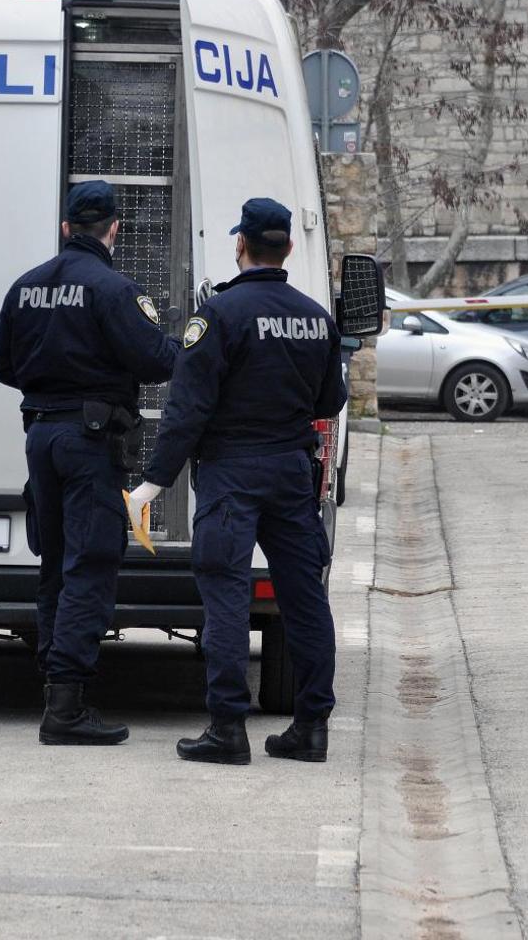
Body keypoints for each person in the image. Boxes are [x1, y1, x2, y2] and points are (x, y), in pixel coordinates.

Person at [128, 197, 346, 765]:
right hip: (292, 473)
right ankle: (312, 727)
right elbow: (331, 400)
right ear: (290, 250)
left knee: (226, 597)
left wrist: (153, 483)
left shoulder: (219, 316)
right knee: (305, 600)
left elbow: (187, 409)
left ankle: (227, 729)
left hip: (231, 475)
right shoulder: (316, 317)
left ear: (241, 245)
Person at [0, 179, 180, 746]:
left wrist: (49, 377)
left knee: (56, 564)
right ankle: (66, 708)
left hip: (41, 436)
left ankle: (55, 686)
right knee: (91, 564)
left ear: (67, 227)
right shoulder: (113, 289)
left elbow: (1, 364)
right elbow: (156, 360)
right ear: (113, 229)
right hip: (89, 441)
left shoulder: (26, 287)